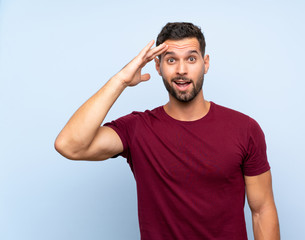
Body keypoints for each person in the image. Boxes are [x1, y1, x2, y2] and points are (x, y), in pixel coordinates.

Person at [55, 22, 280, 240]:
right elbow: (70, 145)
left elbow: (262, 210)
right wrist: (121, 79)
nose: (181, 70)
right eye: (171, 60)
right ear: (158, 66)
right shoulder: (137, 129)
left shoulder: (244, 129)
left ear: (206, 63)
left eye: (191, 59)